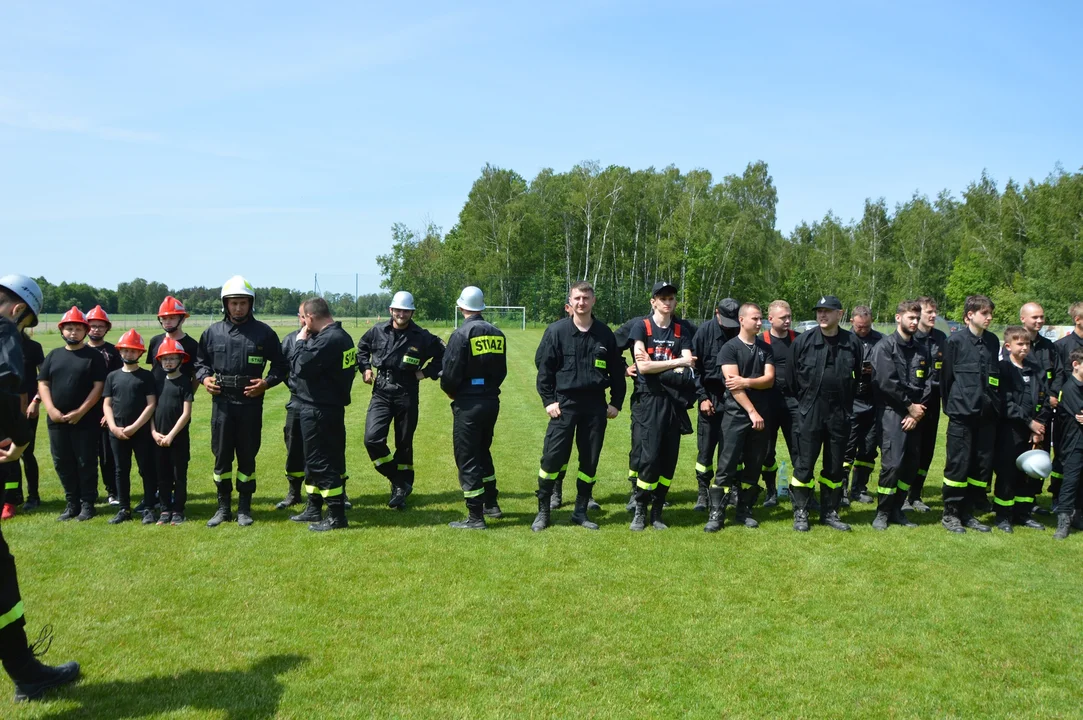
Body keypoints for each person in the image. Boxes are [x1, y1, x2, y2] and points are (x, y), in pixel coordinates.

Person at [0, 273, 80, 702]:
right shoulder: (3, 331)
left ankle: (26, 671)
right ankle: (28, 674)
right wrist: (17, 437)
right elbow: (5, 381)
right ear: (18, 310)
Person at [194, 276, 287, 527]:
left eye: (243, 303)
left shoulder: (264, 333)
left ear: (251, 304)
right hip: (222, 405)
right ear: (225, 304)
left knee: (247, 457)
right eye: (233, 303)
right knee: (221, 457)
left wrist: (266, 383)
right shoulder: (212, 333)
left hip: (250, 405)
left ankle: (244, 508)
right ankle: (223, 507)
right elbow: (199, 363)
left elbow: (281, 365)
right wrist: (204, 379)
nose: (238, 308)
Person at [531, 281, 624, 531]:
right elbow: (544, 370)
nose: (581, 302)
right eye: (577, 298)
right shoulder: (556, 332)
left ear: (593, 301)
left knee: (589, 461)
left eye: (586, 298)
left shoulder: (605, 334)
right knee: (551, 459)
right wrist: (549, 401)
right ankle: (543, 511)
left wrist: (616, 402)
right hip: (564, 404)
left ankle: (580, 511)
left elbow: (616, 371)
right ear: (569, 303)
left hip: (595, 406)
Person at [357, 291, 444, 511]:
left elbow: (445, 355)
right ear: (391, 310)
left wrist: (424, 373)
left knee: (404, 444)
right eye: (397, 310)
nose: (401, 314)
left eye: (405, 310)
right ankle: (399, 481)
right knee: (372, 439)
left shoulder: (422, 336)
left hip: (407, 391)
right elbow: (362, 349)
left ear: (412, 312)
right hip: (381, 391)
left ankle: (400, 494)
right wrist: (366, 369)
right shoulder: (377, 331)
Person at [786, 295, 862, 532]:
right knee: (804, 465)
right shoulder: (803, 341)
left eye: (827, 311)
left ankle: (830, 511)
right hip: (810, 410)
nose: (822, 315)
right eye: (819, 310)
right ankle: (801, 512)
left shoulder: (852, 342)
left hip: (840, 412)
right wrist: (806, 403)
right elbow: (790, 379)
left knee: (835, 466)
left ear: (840, 314)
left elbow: (857, 376)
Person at [627, 281, 697, 531]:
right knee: (649, 456)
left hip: (674, 403)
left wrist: (662, 363)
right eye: (662, 298)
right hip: (649, 401)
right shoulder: (641, 327)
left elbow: (689, 364)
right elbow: (643, 367)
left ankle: (657, 511)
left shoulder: (682, 330)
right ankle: (640, 509)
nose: (667, 302)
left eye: (671, 298)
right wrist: (676, 362)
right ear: (653, 301)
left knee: (669, 458)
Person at [285, 298, 356, 531]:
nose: (302, 323)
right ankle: (314, 507)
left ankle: (336, 515)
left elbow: (301, 367)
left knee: (320, 462)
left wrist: (300, 342)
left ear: (312, 317)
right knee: (315, 462)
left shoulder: (329, 339)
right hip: (327, 407)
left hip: (319, 409)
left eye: (303, 318)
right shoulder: (342, 336)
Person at [440, 286, 507, 530]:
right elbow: (502, 372)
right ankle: (492, 503)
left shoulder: (461, 334)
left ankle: (475, 516)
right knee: (482, 451)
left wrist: (451, 391)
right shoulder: (497, 333)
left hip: (468, 403)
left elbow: (450, 374)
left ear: (461, 307)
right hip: (491, 400)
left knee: (467, 456)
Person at [705, 303, 774, 532]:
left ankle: (744, 510)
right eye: (755, 318)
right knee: (726, 465)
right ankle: (717, 514)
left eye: (760, 318)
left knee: (754, 465)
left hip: (761, 417)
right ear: (742, 320)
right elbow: (733, 385)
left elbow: (769, 379)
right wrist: (751, 410)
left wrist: (747, 381)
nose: (759, 322)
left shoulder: (766, 349)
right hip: (736, 415)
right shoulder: (729, 348)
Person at [38, 307, 107, 521]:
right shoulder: (54, 355)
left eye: (78, 329)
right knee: (62, 461)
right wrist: (51, 410)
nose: (73, 333)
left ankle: (88, 504)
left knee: (85, 461)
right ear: (62, 330)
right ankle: (72, 503)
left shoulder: (93, 357)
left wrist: (80, 411)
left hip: (85, 420)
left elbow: (99, 386)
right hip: (56, 420)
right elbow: (43, 383)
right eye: (69, 328)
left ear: (85, 331)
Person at [940, 294, 1001, 533]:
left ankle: (969, 512)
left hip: (986, 415)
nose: (989, 317)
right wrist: (954, 407)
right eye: (984, 313)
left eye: (990, 313)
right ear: (969, 316)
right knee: (958, 465)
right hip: (962, 414)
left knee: (981, 465)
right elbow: (946, 380)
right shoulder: (955, 342)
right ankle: (951, 513)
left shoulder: (992, 342)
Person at [868, 300, 929, 530]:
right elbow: (886, 382)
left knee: (910, 465)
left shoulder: (922, 349)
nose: (914, 322)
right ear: (898, 318)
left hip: (916, 415)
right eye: (910, 317)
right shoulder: (884, 347)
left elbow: (930, 382)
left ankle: (897, 509)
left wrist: (917, 411)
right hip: (892, 413)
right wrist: (908, 407)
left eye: (917, 318)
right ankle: (882, 512)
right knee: (892, 465)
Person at [992, 326, 1052, 533]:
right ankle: (1003, 515)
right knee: (1008, 472)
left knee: (1028, 474)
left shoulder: (1035, 370)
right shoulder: (1003, 369)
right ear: (1008, 346)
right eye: (1020, 344)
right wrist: (1028, 422)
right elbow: (1005, 402)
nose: (1025, 347)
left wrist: (1038, 426)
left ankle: (1023, 513)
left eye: (1027, 344)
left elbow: (1045, 398)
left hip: (1034, 430)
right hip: (1011, 430)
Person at [102, 330, 158, 525]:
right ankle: (124, 508)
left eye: (133, 351)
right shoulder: (112, 377)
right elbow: (107, 404)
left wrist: (134, 426)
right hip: (116, 432)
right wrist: (113, 427)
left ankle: (149, 507)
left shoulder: (146, 376)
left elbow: (151, 404)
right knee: (120, 470)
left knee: (146, 469)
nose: (128, 354)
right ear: (119, 351)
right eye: (125, 351)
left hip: (140, 431)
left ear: (140, 353)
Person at [691, 298, 740, 512]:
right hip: (710, 397)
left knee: (732, 450)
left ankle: (729, 490)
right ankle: (703, 493)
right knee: (705, 452)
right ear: (716, 313)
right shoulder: (703, 333)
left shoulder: (740, 331)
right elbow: (694, 369)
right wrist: (702, 397)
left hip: (734, 397)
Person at [1017, 303, 1060, 515]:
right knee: (1016, 455)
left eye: (1042, 317)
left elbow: (1057, 374)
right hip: (1021, 414)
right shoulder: (1015, 344)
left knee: (1040, 455)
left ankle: (1032, 498)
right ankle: (1012, 498)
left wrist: (1052, 395)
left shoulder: (1049, 347)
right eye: (1035, 317)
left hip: (1044, 413)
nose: (1039, 321)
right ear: (1023, 318)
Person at [905, 296, 947, 512]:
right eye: (928, 312)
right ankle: (902, 496)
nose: (933, 316)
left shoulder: (941, 338)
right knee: (910, 450)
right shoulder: (911, 339)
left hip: (932, 405)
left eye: (934, 311)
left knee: (927, 451)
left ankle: (916, 494)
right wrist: (912, 408)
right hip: (912, 405)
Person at [760, 300, 800, 509]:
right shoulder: (761, 342)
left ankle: (801, 493)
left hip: (794, 404)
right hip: (768, 404)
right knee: (767, 452)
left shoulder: (799, 340)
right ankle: (770, 491)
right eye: (783, 317)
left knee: (799, 449)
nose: (787, 320)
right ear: (771, 319)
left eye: (789, 316)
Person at [0, 329, 44, 517]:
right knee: (6, 456)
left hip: (26, 408)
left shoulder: (33, 347)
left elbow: (44, 378)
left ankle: (33, 496)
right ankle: (12, 497)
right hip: (4, 408)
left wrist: (36, 401)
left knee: (27, 453)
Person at [151, 337, 194, 525]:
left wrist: (171, 435)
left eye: (172, 358)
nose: (168, 362)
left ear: (180, 360)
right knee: (162, 476)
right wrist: (153, 432)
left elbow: (186, 414)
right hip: (158, 438)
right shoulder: (156, 383)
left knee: (179, 475)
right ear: (160, 361)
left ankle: (178, 510)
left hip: (178, 439)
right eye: (165, 358)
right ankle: (164, 509)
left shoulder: (185, 382)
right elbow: (151, 409)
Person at [843, 306, 883, 505]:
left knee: (868, 447)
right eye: (860, 327)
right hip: (851, 400)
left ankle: (859, 487)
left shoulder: (881, 340)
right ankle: (841, 489)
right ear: (852, 321)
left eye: (867, 326)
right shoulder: (844, 340)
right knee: (846, 447)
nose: (863, 330)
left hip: (873, 399)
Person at [85, 305, 123, 506]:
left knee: (108, 456)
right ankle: (87, 493)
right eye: (92, 326)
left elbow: (118, 383)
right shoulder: (79, 351)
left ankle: (113, 492)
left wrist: (111, 412)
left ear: (107, 328)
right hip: (83, 412)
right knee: (85, 455)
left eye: (100, 326)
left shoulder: (113, 352)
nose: (96, 330)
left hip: (106, 412)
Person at [1050, 302, 1083, 512]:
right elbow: (1057, 376)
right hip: (1067, 410)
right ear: (1078, 320)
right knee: (1064, 454)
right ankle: (1057, 496)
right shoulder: (1063, 345)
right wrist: (1057, 397)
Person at [276, 305, 307, 511]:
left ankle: (339, 490)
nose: (306, 321)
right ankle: (294, 493)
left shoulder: (327, 339)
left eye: (310, 316)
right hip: (296, 401)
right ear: (299, 317)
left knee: (330, 447)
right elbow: (281, 370)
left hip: (324, 403)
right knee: (293, 446)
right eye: (303, 317)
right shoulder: (288, 340)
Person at [1052, 347, 1083, 539]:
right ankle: (1063, 521)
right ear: (1076, 365)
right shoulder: (1069, 388)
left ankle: (1078, 516)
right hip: (1074, 443)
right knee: (1070, 482)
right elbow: (1080, 415)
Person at [146, 296, 200, 389]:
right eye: (164, 318)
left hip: (179, 396)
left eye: (172, 318)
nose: (167, 322)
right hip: (157, 395)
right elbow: (155, 368)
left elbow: (196, 375)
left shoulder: (193, 345)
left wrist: (188, 395)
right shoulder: (155, 341)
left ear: (182, 319)